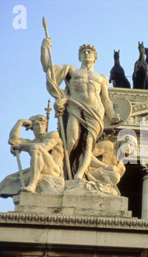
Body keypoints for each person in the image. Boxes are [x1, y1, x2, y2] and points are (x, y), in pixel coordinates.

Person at [41, 38, 121, 180]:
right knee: (71, 140)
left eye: (90, 52)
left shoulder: (101, 78)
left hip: (95, 110)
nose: (86, 54)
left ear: (95, 58)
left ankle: (79, 175)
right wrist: (44, 48)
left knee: (88, 144)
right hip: (75, 107)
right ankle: (62, 172)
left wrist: (113, 114)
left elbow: (106, 99)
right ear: (79, 56)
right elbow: (48, 69)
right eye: (83, 52)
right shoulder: (71, 70)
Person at [0, 115, 64, 197]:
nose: (40, 127)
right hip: (38, 169)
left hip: (54, 170)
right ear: (32, 127)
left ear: (46, 125)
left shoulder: (52, 135)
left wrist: (22, 146)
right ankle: (30, 185)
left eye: (43, 124)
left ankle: (32, 185)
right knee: (9, 180)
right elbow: (13, 140)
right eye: (37, 124)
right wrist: (20, 122)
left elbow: (44, 147)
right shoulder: (31, 142)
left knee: (35, 147)